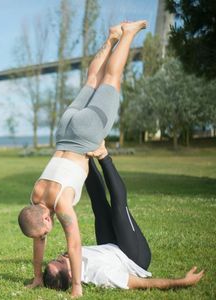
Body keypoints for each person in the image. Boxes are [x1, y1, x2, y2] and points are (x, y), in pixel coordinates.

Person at [18, 20, 148, 297]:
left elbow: (74, 245)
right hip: (65, 130)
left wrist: (76, 286)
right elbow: (38, 237)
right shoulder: (35, 196)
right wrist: (37, 276)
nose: (45, 235)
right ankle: (112, 37)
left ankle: (129, 33)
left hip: (86, 134)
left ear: (44, 216)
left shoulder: (61, 205)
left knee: (111, 80)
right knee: (92, 80)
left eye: (45, 230)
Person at [43, 147, 205, 291]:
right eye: (61, 262)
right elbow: (144, 284)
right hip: (133, 256)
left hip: (110, 247)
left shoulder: (72, 258)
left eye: (55, 259)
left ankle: (86, 150)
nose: (61, 256)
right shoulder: (101, 275)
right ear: (72, 276)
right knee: (119, 208)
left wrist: (37, 277)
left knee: (98, 206)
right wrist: (182, 282)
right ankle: (103, 155)